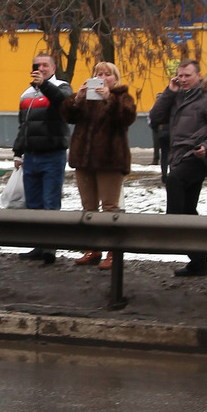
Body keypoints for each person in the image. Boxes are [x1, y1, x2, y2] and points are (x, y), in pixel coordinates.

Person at [149, 59, 207, 276]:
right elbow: (155, 117)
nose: (183, 80)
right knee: (188, 209)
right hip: (178, 156)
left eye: (188, 75)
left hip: (198, 157)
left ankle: (172, 226)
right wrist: (169, 92)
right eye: (180, 76)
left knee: (174, 181)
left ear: (198, 75)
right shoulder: (176, 95)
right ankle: (198, 262)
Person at [60, 62, 137, 270]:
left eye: (107, 74)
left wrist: (109, 99)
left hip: (110, 161)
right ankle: (93, 249)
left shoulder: (122, 96)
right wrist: (76, 99)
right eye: (98, 73)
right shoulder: (86, 98)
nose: (103, 77)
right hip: (84, 161)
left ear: (115, 78)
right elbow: (68, 116)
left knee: (109, 207)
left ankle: (113, 251)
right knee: (89, 207)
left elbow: (127, 117)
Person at [13, 53, 73, 264]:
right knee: (34, 204)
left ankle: (50, 247)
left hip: (52, 154)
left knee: (50, 202)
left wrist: (45, 85)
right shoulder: (26, 95)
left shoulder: (62, 87)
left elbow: (64, 105)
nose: (40, 68)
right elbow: (24, 126)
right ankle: (38, 245)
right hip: (31, 156)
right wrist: (17, 152)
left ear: (53, 68)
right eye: (36, 65)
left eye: (45, 65)